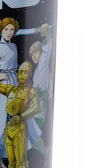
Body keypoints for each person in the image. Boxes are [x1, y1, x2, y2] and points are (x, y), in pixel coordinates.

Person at [0, 18, 20, 159]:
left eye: (12, 29)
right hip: (2, 83)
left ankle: (11, 151)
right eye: (6, 29)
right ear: (1, 30)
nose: (9, 32)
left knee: (14, 114)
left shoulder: (13, 46)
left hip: (14, 81)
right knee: (0, 115)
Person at [27, 23, 53, 159]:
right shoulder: (38, 69)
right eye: (32, 54)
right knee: (30, 136)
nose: (34, 56)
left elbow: (48, 48)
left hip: (39, 108)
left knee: (33, 134)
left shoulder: (43, 62)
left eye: (36, 52)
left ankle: (46, 152)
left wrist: (46, 32)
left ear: (41, 51)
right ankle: (46, 152)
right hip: (36, 107)